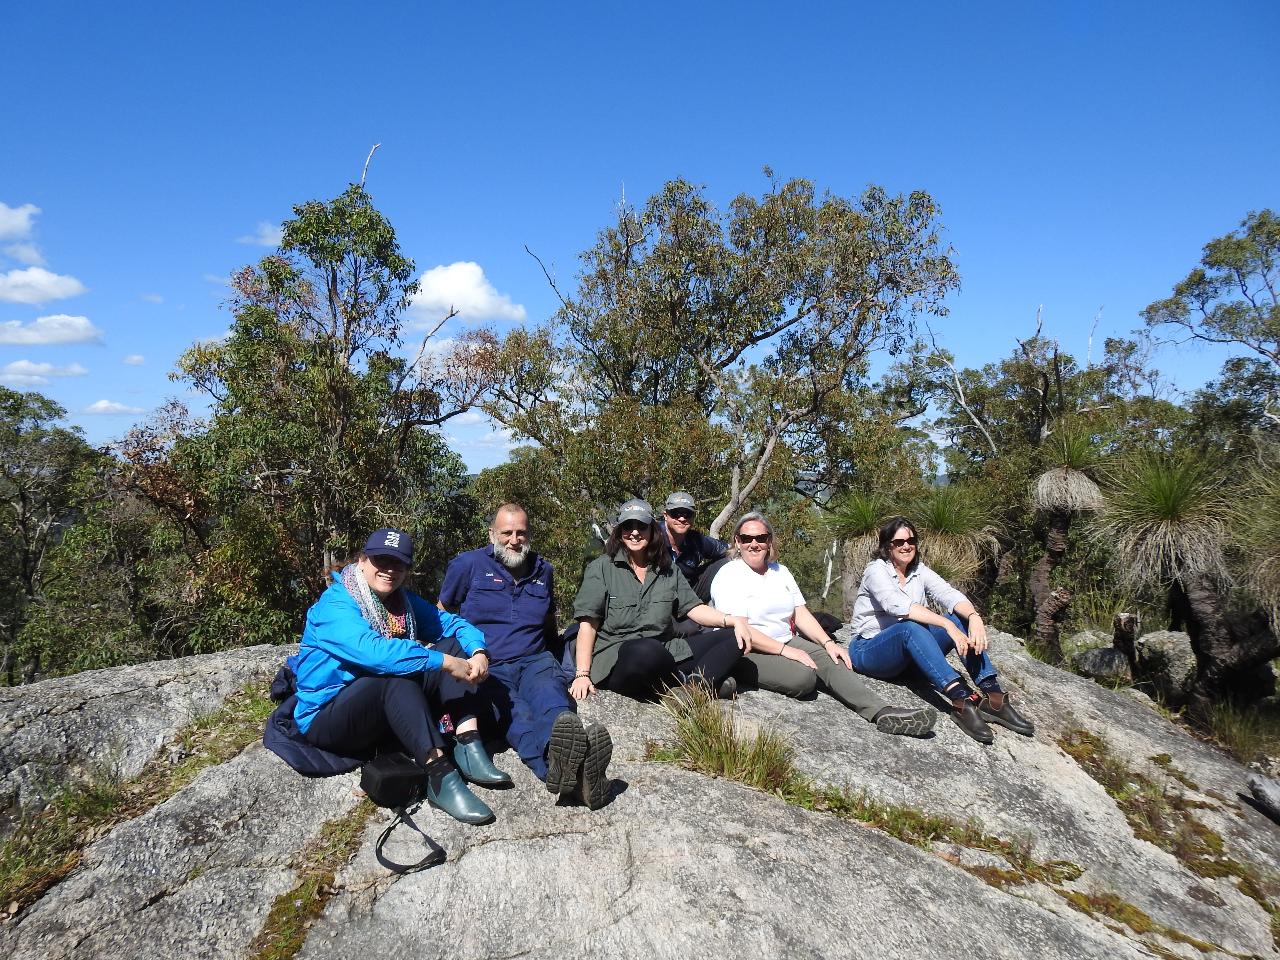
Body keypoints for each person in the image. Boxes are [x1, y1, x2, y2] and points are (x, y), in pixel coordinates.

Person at [292, 528, 499, 824]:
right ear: (362, 560)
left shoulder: (402, 603)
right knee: (395, 675)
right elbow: (375, 654)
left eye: (398, 563)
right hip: (329, 716)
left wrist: (478, 651)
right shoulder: (336, 604)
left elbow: (451, 625)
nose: (389, 570)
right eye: (381, 560)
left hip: (375, 709)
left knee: (453, 646)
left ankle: (468, 741)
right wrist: (442, 662)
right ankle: (440, 776)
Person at [439, 503, 613, 810]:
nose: (514, 540)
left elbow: (548, 621)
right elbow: (440, 614)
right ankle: (566, 773)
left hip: (534, 659)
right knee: (517, 714)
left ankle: (564, 764)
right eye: (506, 533)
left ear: (529, 534)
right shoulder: (467, 565)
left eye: (521, 533)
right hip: (486, 665)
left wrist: (571, 668)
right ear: (492, 533)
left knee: (553, 701)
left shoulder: (542, 570)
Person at [709, 512, 937, 737]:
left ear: (770, 541)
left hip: (784, 639)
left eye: (761, 538)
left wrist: (828, 643)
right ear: (737, 542)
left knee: (833, 660)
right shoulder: (730, 574)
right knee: (803, 678)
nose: (754, 544)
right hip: (745, 649)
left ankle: (881, 712)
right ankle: (730, 675)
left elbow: (800, 613)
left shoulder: (780, 572)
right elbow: (741, 628)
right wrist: (787, 651)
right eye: (747, 539)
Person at [847, 516, 1035, 744]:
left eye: (911, 540)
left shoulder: (919, 571)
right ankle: (961, 700)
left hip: (907, 658)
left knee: (960, 619)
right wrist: (944, 624)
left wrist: (974, 618)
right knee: (911, 627)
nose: (906, 546)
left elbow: (950, 595)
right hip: (870, 650)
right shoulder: (876, 571)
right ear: (887, 547)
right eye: (899, 542)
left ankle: (994, 697)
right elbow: (896, 606)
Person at [571, 499, 751, 702]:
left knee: (735, 637)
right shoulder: (601, 568)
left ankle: (693, 690)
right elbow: (588, 625)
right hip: (620, 658)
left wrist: (733, 620)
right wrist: (582, 675)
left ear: (652, 530)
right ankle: (703, 681)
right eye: (628, 526)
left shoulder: (667, 569)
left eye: (642, 526)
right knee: (645, 651)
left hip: (665, 652)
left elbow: (694, 608)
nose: (635, 532)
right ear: (620, 531)